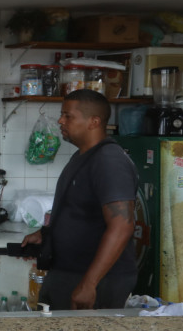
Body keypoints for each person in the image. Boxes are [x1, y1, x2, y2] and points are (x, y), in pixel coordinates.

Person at [21, 89, 138, 310]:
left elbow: (122, 226)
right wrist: (47, 234)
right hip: (69, 274)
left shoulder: (109, 161)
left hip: (97, 280)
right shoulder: (83, 156)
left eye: (68, 116)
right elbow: (82, 211)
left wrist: (89, 283)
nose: (60, 121)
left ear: (94, 122)